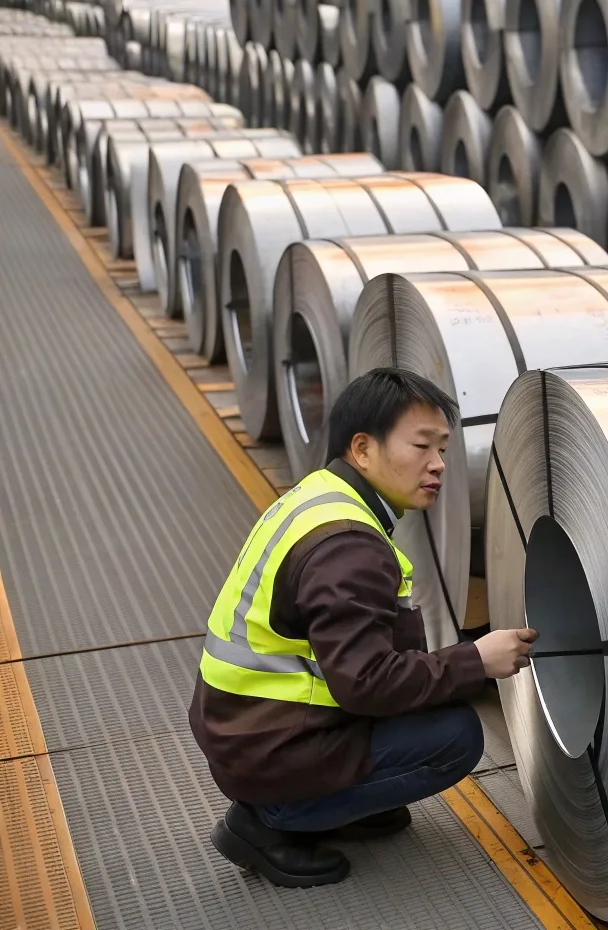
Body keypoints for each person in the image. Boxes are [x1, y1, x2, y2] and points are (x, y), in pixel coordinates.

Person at [189, 368, 539, 888]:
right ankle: (269, 821)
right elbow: (366, 683)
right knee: (457, 736)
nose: (439, 465)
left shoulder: (318, 496)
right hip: (268, 751)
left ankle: (327, 802)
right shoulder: (349, 547)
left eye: (442, 449)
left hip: (251, 730)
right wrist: (476, 660)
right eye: (422, 446)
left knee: (437, 694)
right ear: (363, 449)